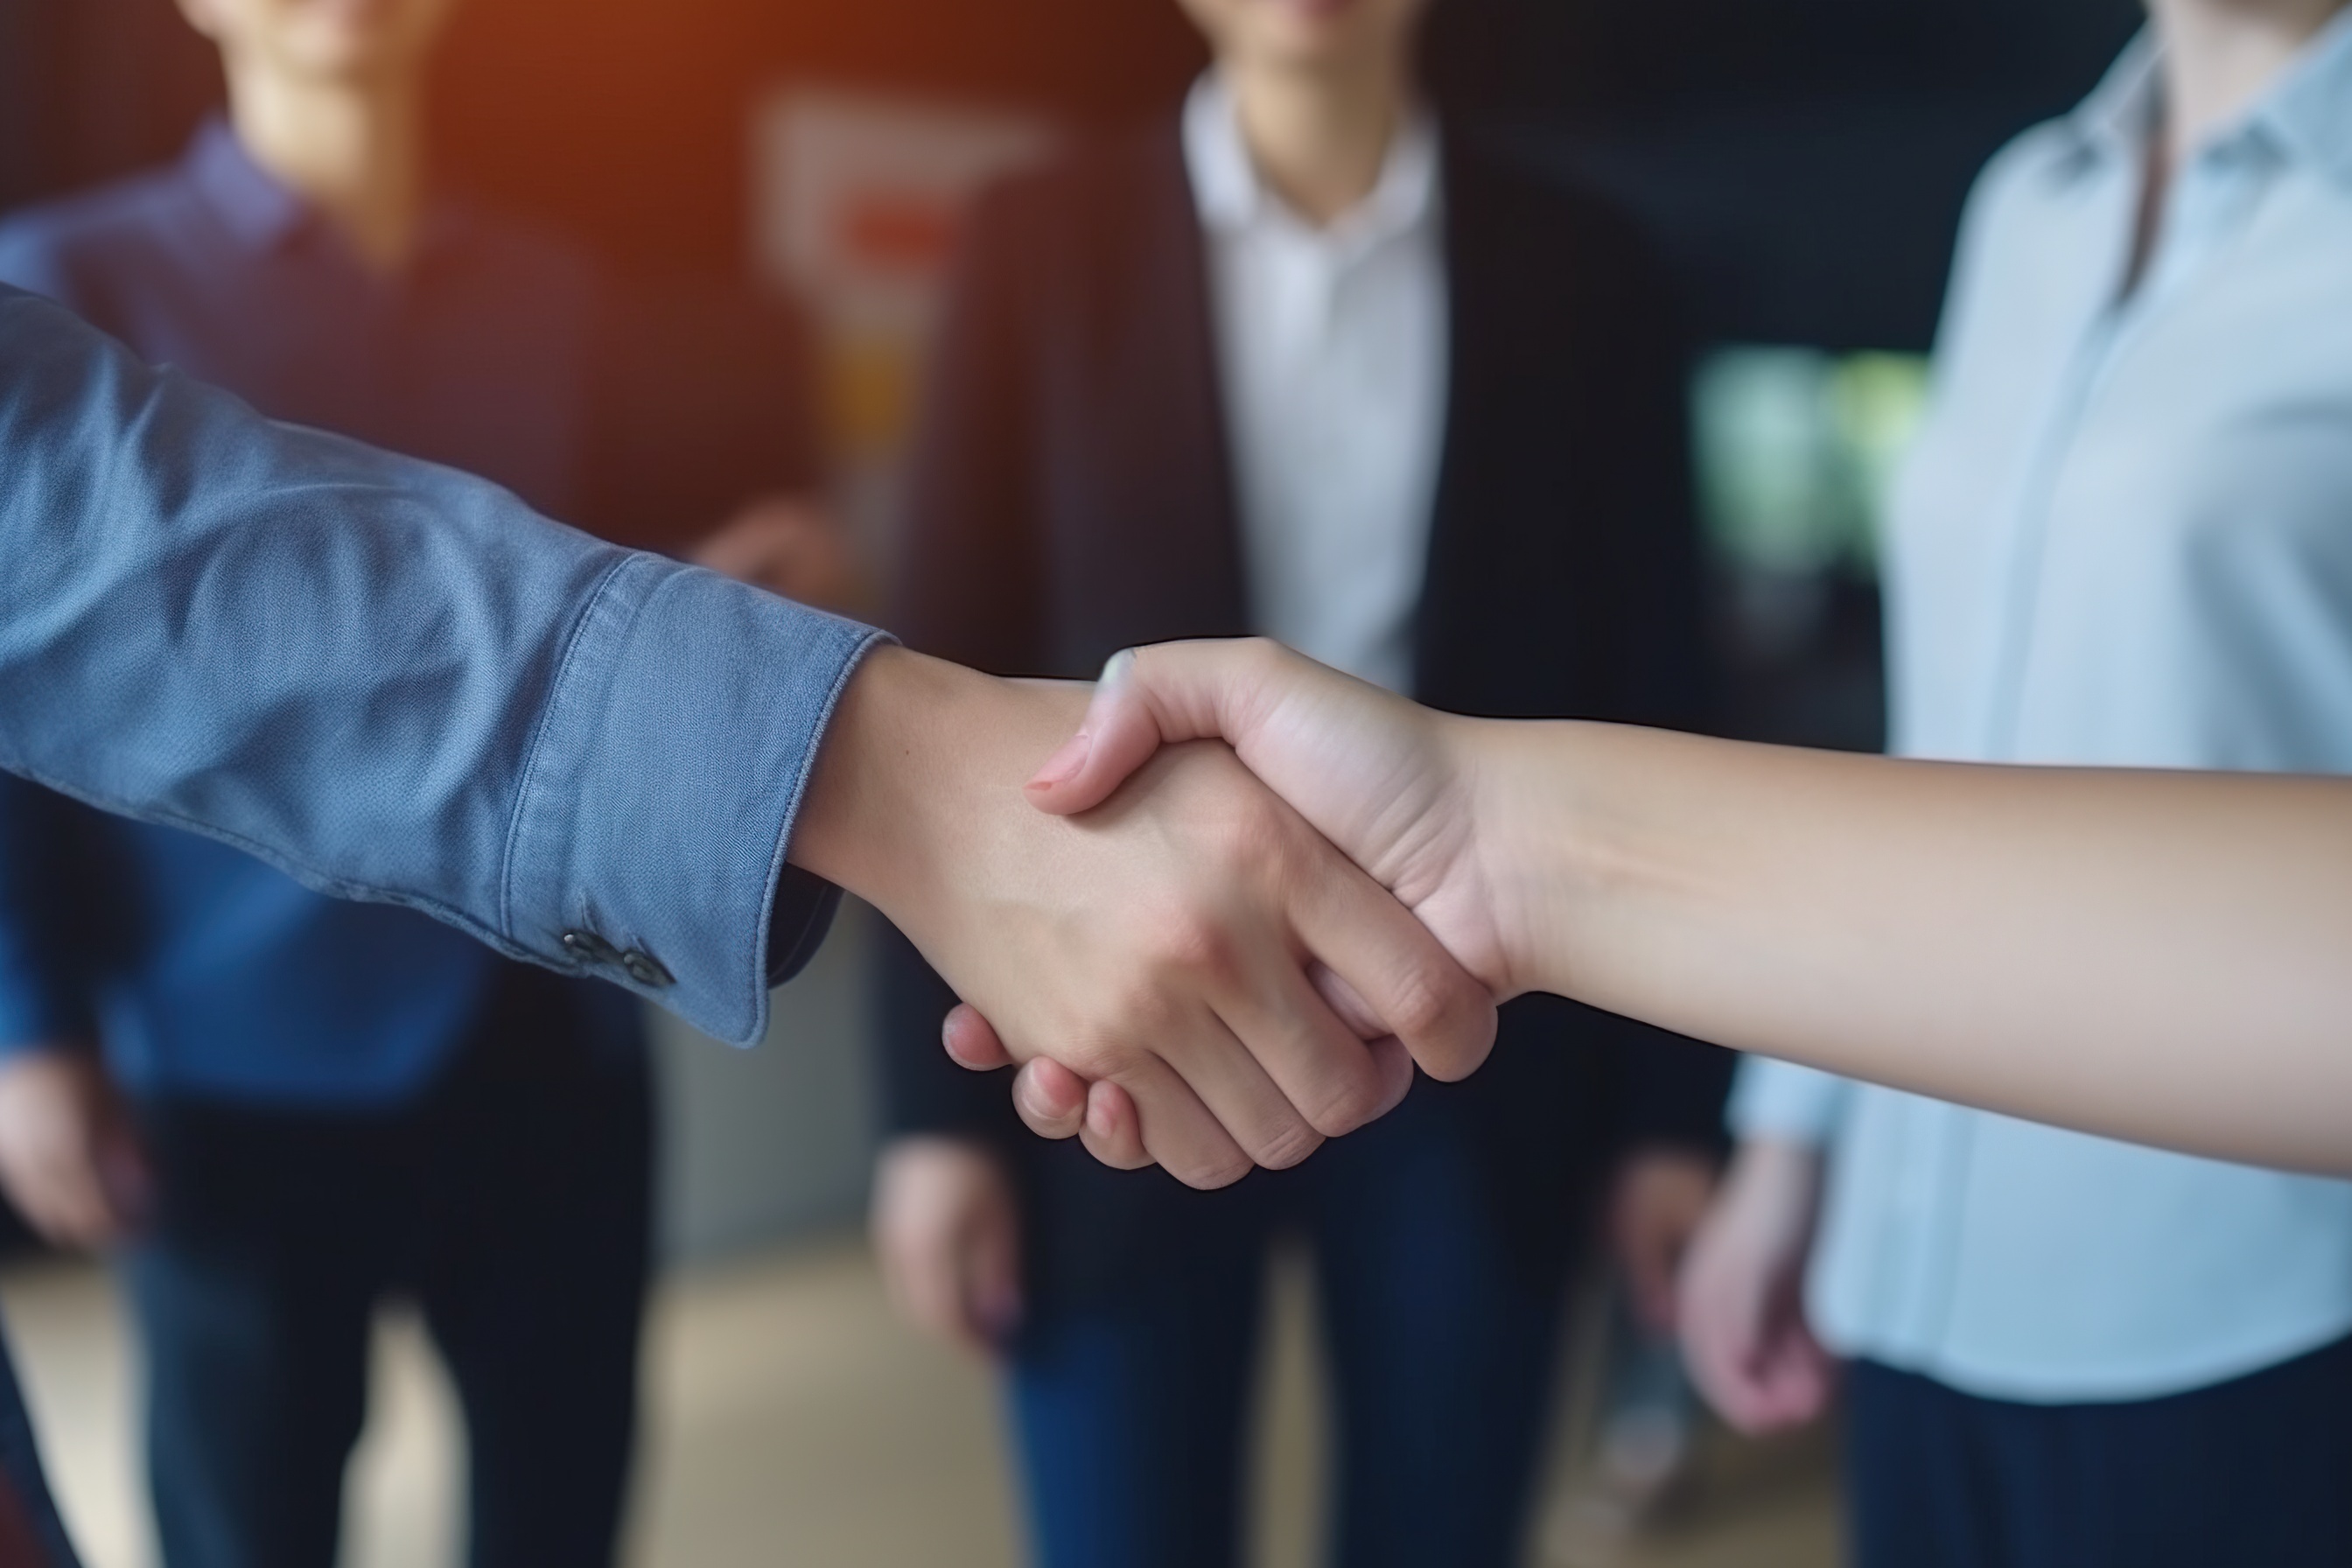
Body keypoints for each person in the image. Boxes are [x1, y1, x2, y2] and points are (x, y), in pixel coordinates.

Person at [865, 1, 1728, 1562]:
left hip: (1477, 1030)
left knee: (1443, 1526)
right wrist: (932, 1122)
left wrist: (1677, 1118)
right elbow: (932, 684)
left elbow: (1662, 680)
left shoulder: (1590, 267)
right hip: (1121, 1022)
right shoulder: (1033, 240)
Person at [0, 0, 842, 1559]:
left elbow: (583, 621)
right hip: (225, 1056)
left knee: (561, 1517)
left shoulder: (557, 292)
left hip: (546, 1035)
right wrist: (25, 1030)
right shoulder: (58, 279)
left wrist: (753, 605)